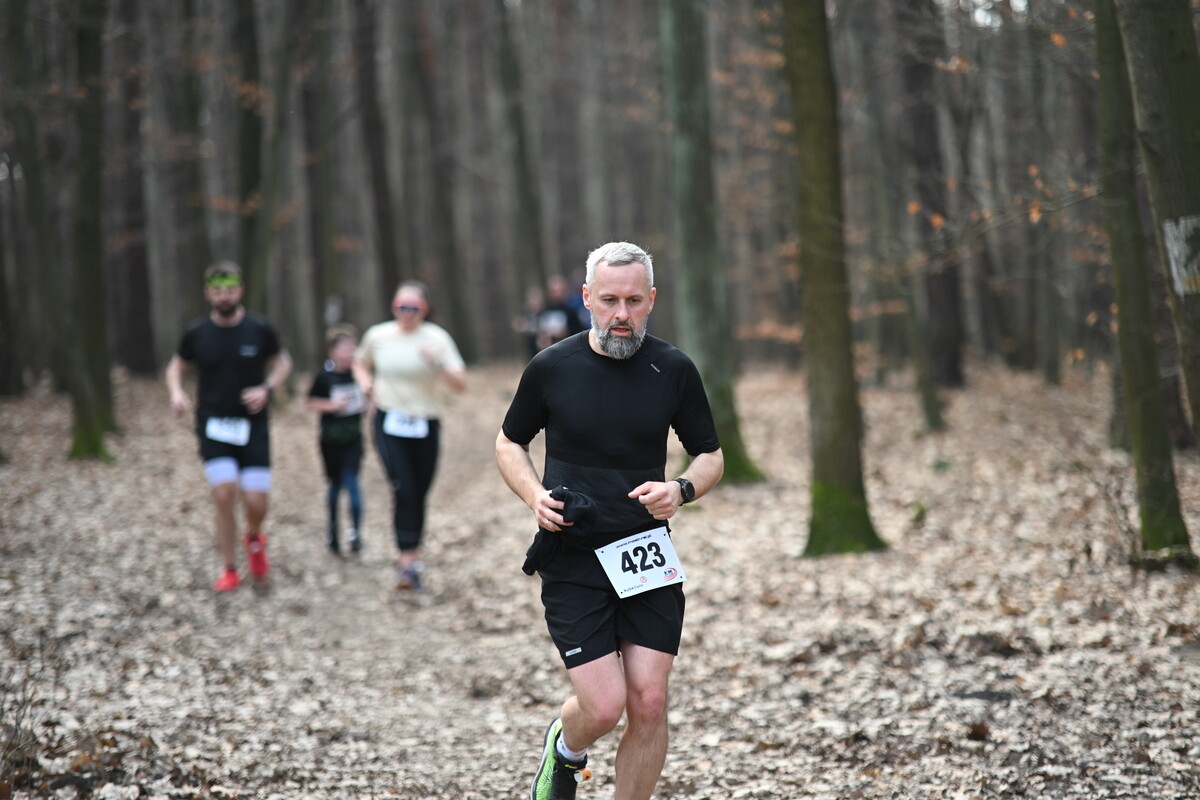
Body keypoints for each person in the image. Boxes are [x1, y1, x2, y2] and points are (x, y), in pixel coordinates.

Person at [495, 241, 724, 800]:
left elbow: (711, 455)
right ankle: (565, 747)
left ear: (652, 300)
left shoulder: (673, 369)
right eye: (609, 300)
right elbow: (509, 442)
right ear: (587, 298)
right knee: (603, 707)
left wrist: (681, 489)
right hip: (573, 553)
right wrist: (534, 496)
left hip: (644, 551)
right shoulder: (552, 367)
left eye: (633, 301)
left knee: (650, 700)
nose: (622, 314)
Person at [166, 261, 293, 592]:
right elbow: (176, 366)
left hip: (253, 425)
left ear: (241, 291)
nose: (224, 296)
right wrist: (177, 392)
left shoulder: (259, 328)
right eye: (218, 291)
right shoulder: (197, 332)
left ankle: (254, 536)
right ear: (208, 294)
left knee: (255, 502)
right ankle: (230, 568)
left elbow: (283, 362)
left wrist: (266, 389)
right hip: (213, 423)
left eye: (230, 290)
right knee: (224, 494)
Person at [355, 280, 466, 591]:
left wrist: (438, 364)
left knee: (418, 491)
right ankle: (406, 563)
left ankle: (413, 556)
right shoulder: (378, 335)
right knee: (403, 487)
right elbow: (360, 363)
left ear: (424, 309)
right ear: (393, 307)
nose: (406, 313)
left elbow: (460, 384)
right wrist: (365, 383)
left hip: (425, 422)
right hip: (388, 421)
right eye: (400, 307)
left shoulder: (437, 338)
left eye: (413, 308)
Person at [306, 324, 367, 556]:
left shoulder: (359, 374)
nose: (350, 353)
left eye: (353, 348)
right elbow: (310, 401)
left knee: (352, 483)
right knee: (334, 486)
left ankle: (355, 532)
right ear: (332, 351)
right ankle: (332, 533)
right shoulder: (325, 376)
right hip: (330, 441)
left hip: (354, 439)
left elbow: (370, 396)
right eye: (345, 349)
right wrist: (332, 406)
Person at [536, 274, 587, 351]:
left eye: (560, 291)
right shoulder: (544, 313)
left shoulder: (571, 312)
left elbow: (578, 334)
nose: (557, 294)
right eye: (554, 291)